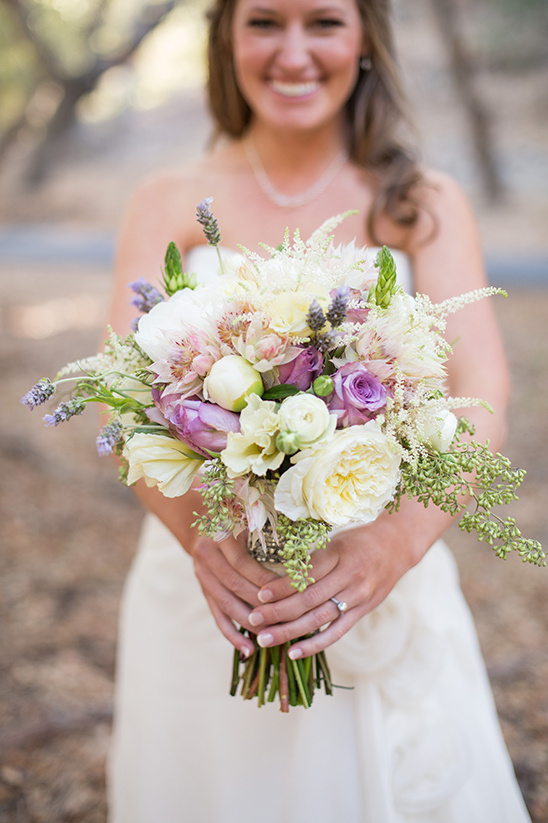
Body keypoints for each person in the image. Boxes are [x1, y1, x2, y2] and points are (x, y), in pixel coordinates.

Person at [106, 1, 532, 820]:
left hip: (373, 572)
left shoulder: (419, 203)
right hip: (204, 577)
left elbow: (483, 399)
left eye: (324, 22)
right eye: (264, 21)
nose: (293, 53)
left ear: (366, 36)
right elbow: (124, 403)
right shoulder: (165, 199)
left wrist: (390, 546)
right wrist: (204, 534)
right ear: (224, 36)